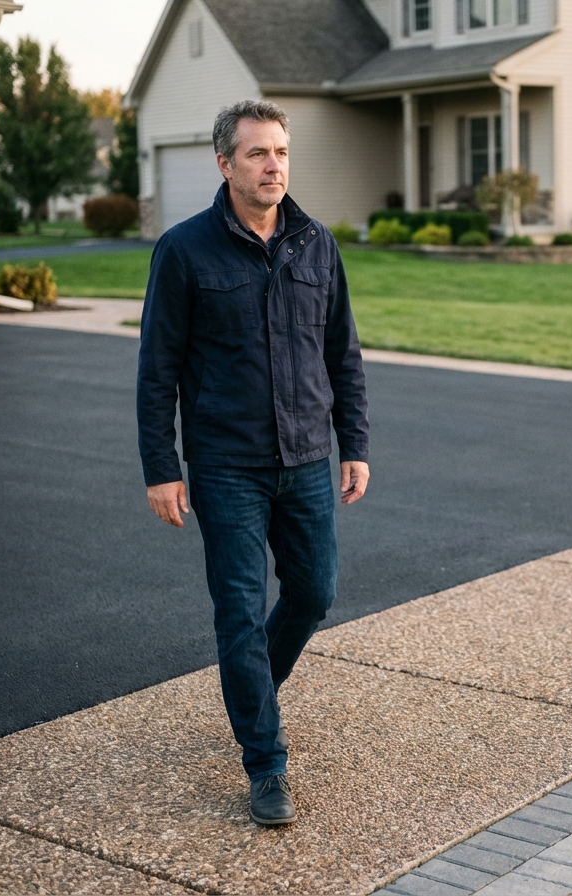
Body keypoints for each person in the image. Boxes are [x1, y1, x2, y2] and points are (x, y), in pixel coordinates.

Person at [136, 100, 369, 826]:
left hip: (305, 458)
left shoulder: (316, 245)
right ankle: (265, 761)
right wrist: (160, 465)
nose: (274, 166)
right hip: (225, 465)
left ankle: (250, 694)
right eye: (258, 154)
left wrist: (354, 443)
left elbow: (344, 354)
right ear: (225, 164)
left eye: (281, 153)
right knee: (238, 616)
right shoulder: (184, 250)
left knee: (314, 594)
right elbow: (157, 368)